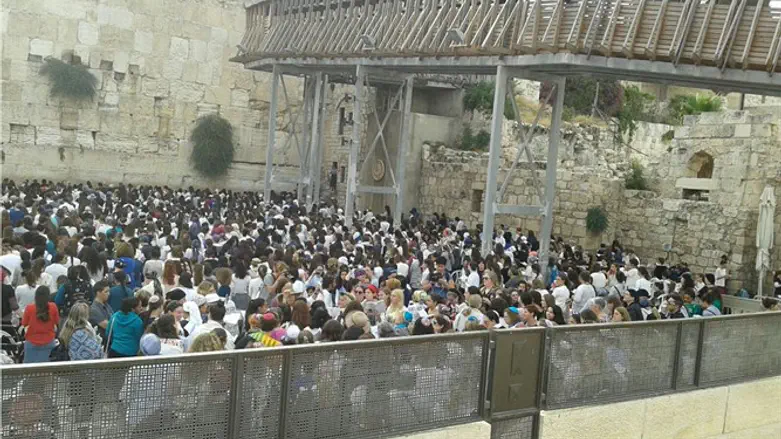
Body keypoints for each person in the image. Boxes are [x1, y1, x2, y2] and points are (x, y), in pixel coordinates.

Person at [21, 286, 60, 363]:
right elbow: (56, 323)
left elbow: (24, 324)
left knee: (29, 368)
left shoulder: (29, 308)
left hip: (31, 343)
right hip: (49, 342)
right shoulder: (53, 307)